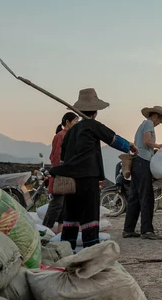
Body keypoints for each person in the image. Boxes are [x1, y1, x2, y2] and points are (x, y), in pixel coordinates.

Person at [50, 88, 138, 250]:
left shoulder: (70, 132)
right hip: (88, 178)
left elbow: (63, 159)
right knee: (89, 215)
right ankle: (91, 250)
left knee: (71, 215)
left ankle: (66, 250)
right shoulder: (93, 126)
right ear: (96, 112)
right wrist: (130, 146)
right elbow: (113, 139)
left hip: (71, 180)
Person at [123, 106, 162, 240]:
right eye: (159, 120)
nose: (158, 123)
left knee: (134, 197)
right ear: (155, 116)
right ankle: (147, 230)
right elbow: (146, 141)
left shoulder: (142, 124)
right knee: (147, 197)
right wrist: (158, 146)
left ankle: (128, 229)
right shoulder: (149, 123)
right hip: (143, 162)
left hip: (137, 162)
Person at [42, 112, 79, 233]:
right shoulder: (61, 136)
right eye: (75, 121)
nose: (77, 124)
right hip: (61, 174)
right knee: (57, 204)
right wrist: (61, 170)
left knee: (64, 204)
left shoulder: (70, 135)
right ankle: (45, 228)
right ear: (67, 122)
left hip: (68, 173)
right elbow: (57, 156)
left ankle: (60, 229)